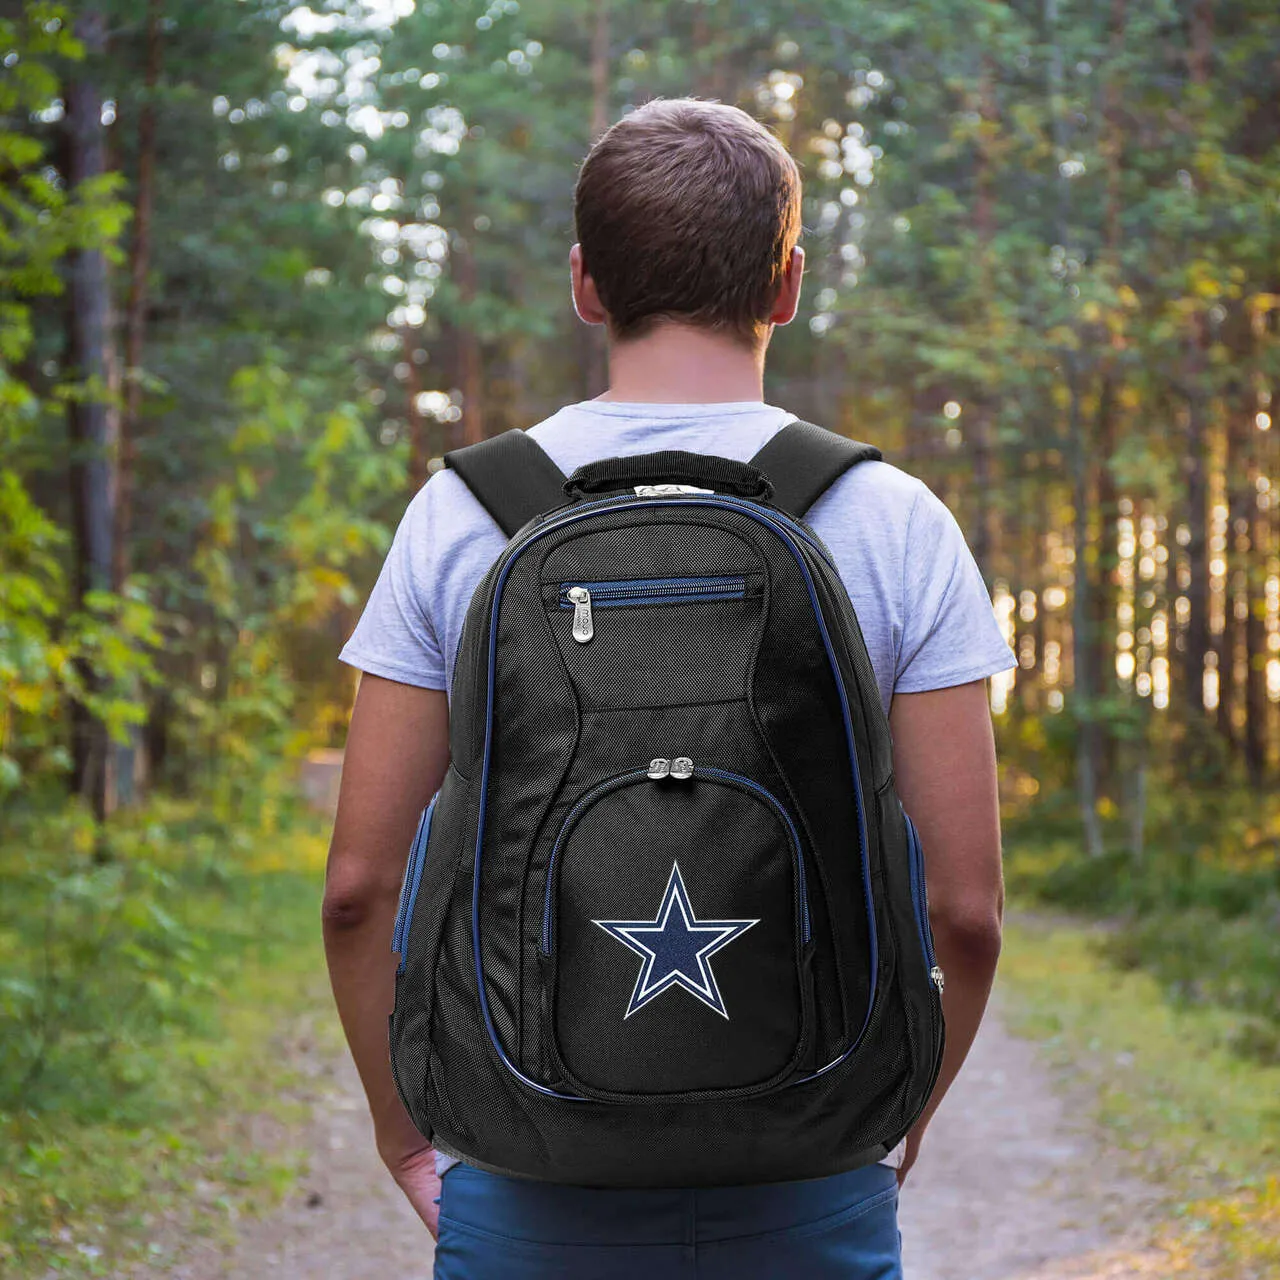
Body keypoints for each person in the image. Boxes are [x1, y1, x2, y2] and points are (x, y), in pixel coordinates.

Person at [324, 96, 1012, 1279]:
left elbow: (356, 887)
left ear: (586, 285)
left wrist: (404, 1133)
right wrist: (892, 1120)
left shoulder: (464, 515)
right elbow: (967, 912)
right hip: (810, 1179)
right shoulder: (893, 522)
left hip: (526, 1182)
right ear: (787, 283)